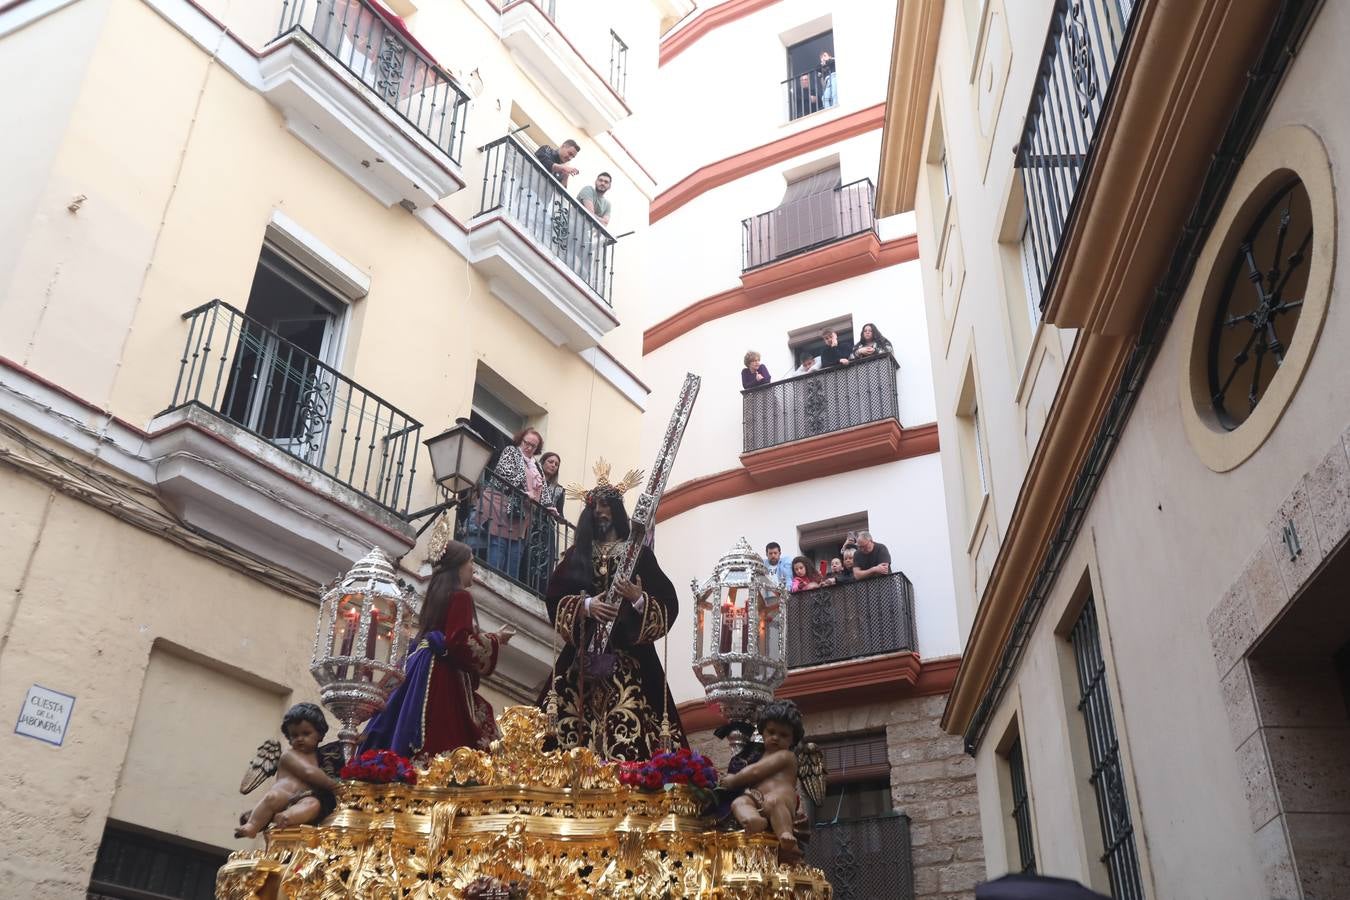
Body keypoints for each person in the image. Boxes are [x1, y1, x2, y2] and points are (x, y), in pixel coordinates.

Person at [539, 468, 686, 760]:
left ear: (617, 510)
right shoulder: (576, 555)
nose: (600, 512)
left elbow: (668, 602)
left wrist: (638, 598)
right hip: (582, 659)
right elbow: (555, 598)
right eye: (595, 507)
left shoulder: (639, 555)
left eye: (606, 506)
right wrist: (586, 606)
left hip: (629, 658)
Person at [360, 537, 513, 757]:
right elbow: (458, 641)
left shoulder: (435, 595)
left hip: (419, 665)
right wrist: (496, 639)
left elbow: (446, 635)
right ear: (458, 566)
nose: (473, 568)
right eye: (470, 562)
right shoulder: (462, 597)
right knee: (450, 733)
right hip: (442, 673)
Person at [235, 703, 338, 838]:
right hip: (283, 793)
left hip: (304, 796)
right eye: (294, 735)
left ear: (320, 734)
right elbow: (309, 772)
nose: (300, 738)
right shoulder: (289, 755)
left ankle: (286, 817)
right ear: (288, 738)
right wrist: (334, 785)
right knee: (271, 798)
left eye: (306, 733)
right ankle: (252, 825)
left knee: (313, 804)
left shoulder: (322, 756)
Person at [721, 699, 806, 857]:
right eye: (771, 732)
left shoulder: (787, 756)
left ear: (792, 740)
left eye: (783, 735)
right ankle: (753, 820)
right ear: (762, 732)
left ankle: (785, 834)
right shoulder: (758, 755)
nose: (775, 738)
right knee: (739, 802)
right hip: (758, 797)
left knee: (774, 802)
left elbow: (755, 772)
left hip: (781, 798)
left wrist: (733, 780)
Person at [477, 428, 544, 578]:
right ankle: (492, 579)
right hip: (501, 505)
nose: (528, 447)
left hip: (522, 514)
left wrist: (550, 508)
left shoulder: (537, 466)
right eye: (526, 443)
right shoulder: (511, 451)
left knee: (515, 555)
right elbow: (504, 475)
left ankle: (509, 588)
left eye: (533, 446)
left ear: (537, 448)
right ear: (521, 440)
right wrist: (526, 491)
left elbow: (543, 491)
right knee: (498, 545)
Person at [524, 452, 566, 593]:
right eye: (550, 461)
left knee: (544, 561)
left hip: (547, 528)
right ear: (542, 462)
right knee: (528, 554)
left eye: (556, 464)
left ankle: (540, 590)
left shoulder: (559, 489)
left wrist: (560, 518)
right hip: (531, 522)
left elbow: (560, 513)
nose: (553, 465)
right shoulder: (533, 477)